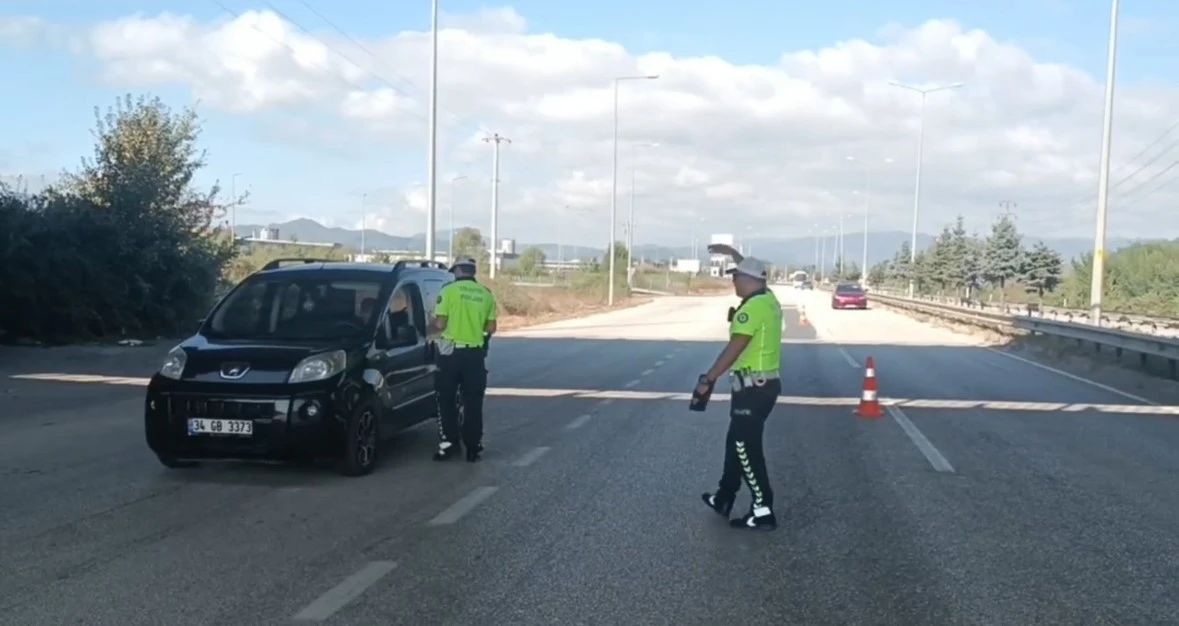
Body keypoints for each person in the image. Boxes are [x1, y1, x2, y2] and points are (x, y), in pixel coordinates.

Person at [695, 255, 783, 531]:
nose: (733, 282)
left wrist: (709, 378)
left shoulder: (753, 309)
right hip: (761, 385)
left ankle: (763, 510)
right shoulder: (769, 300)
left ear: (749, 279)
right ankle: (723, 498)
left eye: (735, 277)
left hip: (753, 388)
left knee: (745, 446)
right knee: (736, 442)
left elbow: (735, 347)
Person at [431, 256, 498, 462]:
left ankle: (449, 445)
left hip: (449, 354)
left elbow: (440, 324)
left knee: (446, 400)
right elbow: (491, 327)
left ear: (458, 270)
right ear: (473, 271)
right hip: (475, 355)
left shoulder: (448, 291)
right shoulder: (486, 294)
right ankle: (473, 447)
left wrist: (428, 329)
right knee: (473, 402)